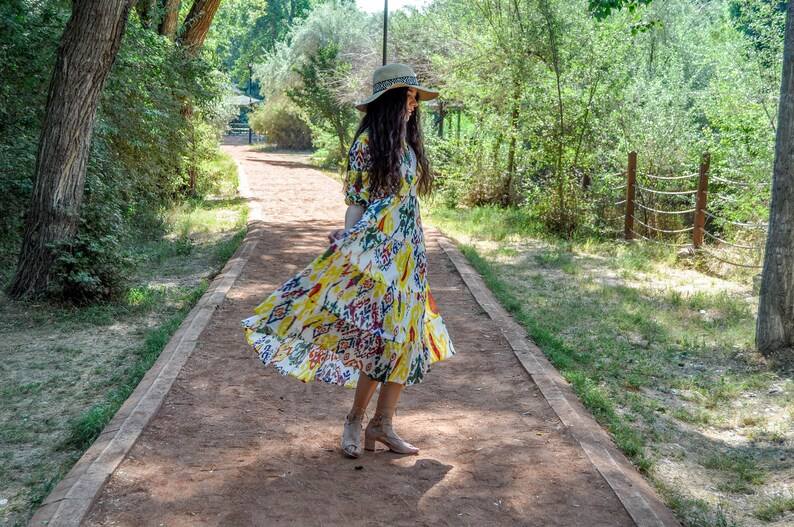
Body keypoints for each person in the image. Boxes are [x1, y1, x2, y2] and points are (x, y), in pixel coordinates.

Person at [241, 63, 455, 459]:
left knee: (406, 338)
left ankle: (383, 424)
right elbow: (357, 201)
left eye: (415, 99)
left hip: (409, 255)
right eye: (408, 98)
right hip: (377, 256)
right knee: (381, 338)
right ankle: (356, 419)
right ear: (390, 101)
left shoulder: (407, 144)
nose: (414, 105)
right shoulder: (367, 144)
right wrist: (349, 242)